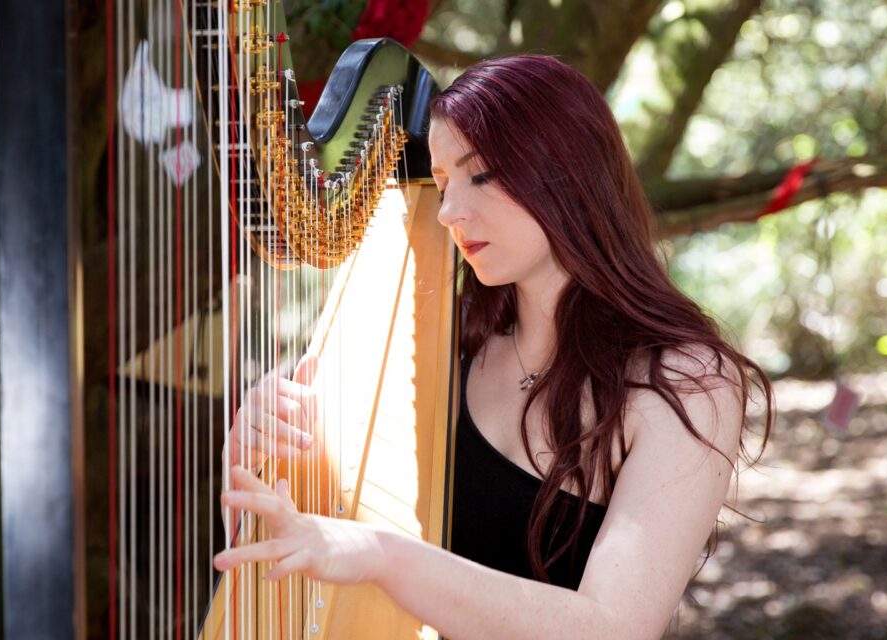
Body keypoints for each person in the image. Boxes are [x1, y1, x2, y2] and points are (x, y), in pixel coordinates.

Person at [215, 54, 774, 639]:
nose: (448, 211)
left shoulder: (685, 382)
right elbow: (292, 579)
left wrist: (383, 557)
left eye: (479, 175)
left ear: (568, 170)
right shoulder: (438, 349)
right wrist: (248, 464)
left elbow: (613, 628)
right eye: (442, 182)